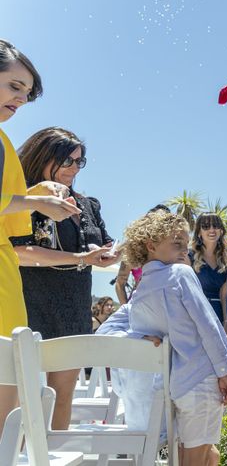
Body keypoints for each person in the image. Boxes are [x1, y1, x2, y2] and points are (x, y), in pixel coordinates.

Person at [98, 211, 227, 466]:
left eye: (186, 245)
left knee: (202, 454)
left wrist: (137, 338)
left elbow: (104, 332)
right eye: (177, 244)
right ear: (151, 246)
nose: (185, 251)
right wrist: (225, 370)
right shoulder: (180, 275)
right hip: (202, 377)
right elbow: (209, 325)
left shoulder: (140, 293)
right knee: (200, 456)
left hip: (174, 384)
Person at [12, 127, 121, 429]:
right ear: (43, 157)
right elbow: (19, 251)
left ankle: (52, 457)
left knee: (63, 394)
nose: (73, 168)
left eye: (79, 162)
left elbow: (102, 245)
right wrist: (79, 259)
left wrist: (110, 254)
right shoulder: (27, 200)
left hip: (74, 305)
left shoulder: (88, 204)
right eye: (66, 161)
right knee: (25, 397)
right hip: (30, 302)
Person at [0, 39, 82, 438]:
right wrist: (35, 202)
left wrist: (32, 199)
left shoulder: (2, 141)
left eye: (26, 93)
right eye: (15, 86)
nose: (21, 100)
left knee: (8, 393)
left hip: (6, 278)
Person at [114, 204, 172, 305]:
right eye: (155, 219)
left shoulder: (175, 248)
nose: (159, 223)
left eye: (164, 220)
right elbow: (120, 282)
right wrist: (126, 309)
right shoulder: (133, 248)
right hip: (138, 305)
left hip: (167, 306)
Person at [189, 212, 227, 327]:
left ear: (221, 231)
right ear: (199, 232)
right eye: (206, 226)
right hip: (196, 315)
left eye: (216, 226)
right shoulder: (188, 257)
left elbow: (226, 294)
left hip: (220, 315)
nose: (212, 230)